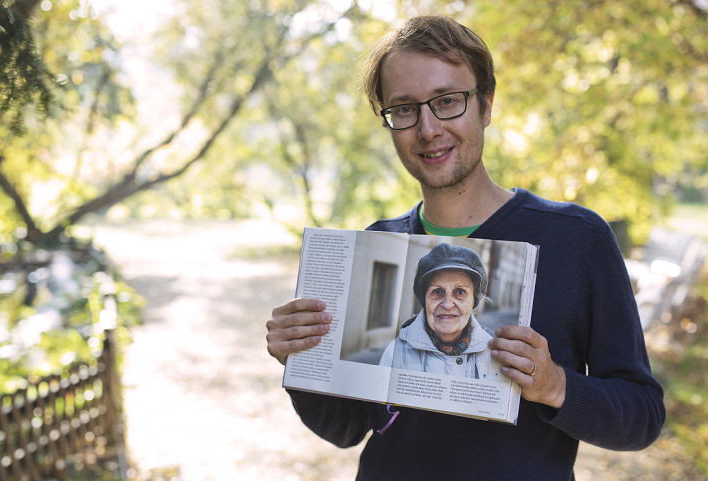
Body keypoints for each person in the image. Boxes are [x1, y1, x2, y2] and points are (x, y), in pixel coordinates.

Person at [265, 15, 665, 480]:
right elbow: (347, 429)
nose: (428, 128)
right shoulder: (378, 245)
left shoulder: (577, 238)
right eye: (404, 109)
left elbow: (642, 417)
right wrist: (301, 361)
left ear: (486, 105)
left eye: (448, 101)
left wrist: (557, 386)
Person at [379, 242, 505, 381]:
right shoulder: (395, 352)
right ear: (424, 299)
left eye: (460, 292)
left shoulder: (497, 356)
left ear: (473, 301)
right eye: (437, 291)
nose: (447, 304)